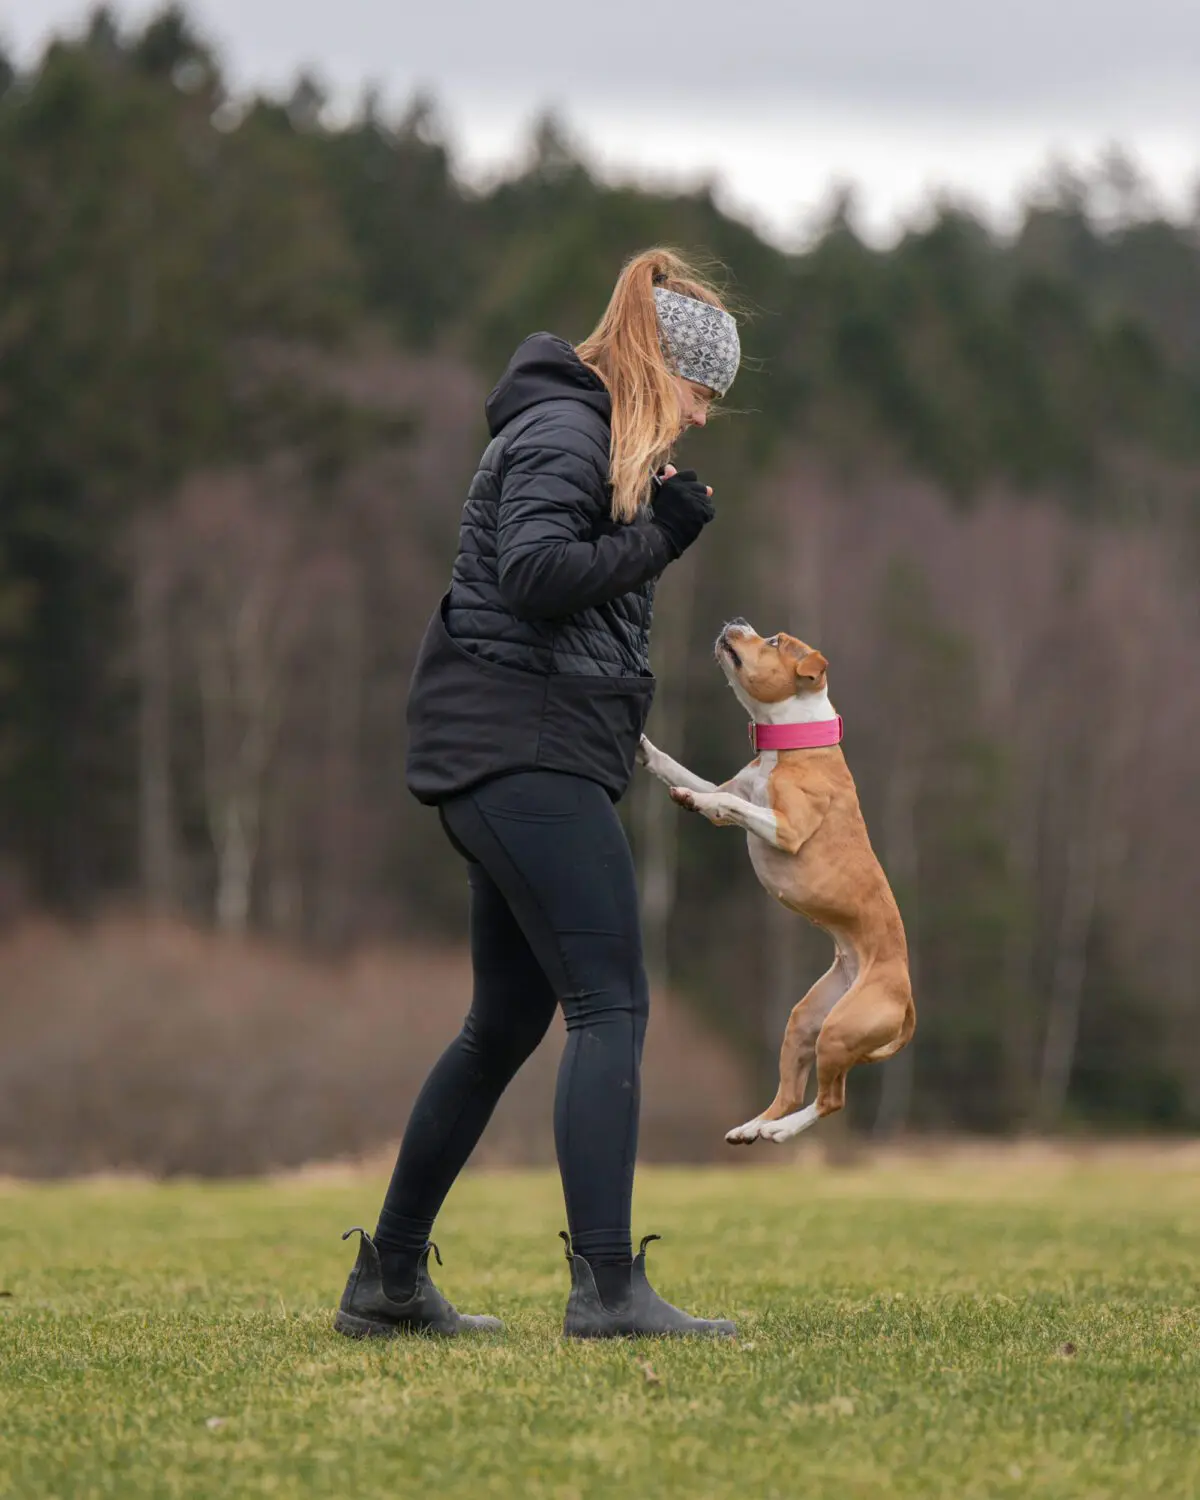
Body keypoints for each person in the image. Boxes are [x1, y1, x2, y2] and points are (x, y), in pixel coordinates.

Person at [335, 248, 742, 1341]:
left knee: (507, 1020)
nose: (705, 419)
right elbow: (535, 574)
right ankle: (607, 1291)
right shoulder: (566, 430)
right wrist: (661, 539)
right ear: (665, 372)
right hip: (524, 750)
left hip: (516, 747)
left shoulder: (581, 431)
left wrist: (647, 528)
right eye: (704, 394)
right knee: (611, 1005)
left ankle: (389, 1283)